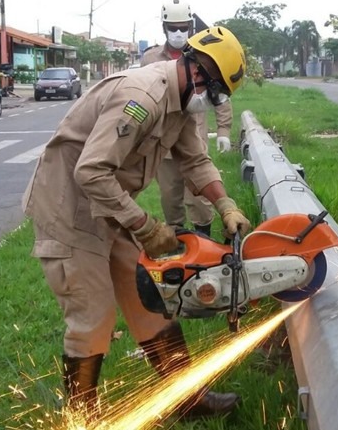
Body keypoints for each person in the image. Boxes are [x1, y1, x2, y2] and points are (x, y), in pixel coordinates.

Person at [22, 26, 250, 419]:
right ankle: (82, 420)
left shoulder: (181, 103)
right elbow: (90, 172)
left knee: (151, 301)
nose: (212, 105)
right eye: (213, 95)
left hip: (108, 207)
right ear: (198, 74)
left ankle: (186, 400)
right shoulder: (141, 98)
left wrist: (225, 204)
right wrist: (144, 226)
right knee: (93, 315)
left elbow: (195, 160)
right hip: (70, 209)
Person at [141, 0, 234, 237]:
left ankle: (204, 241)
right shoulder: (150, 59)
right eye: (173, 28)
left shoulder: (202, 56)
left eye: (183, 27)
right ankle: (179, 247)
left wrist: (223, 131)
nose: (179, 33)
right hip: (163, 144)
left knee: (200, 199)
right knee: (170, 199)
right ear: (164, 28)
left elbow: (219, 94)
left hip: (194, 140)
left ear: (191, 27)